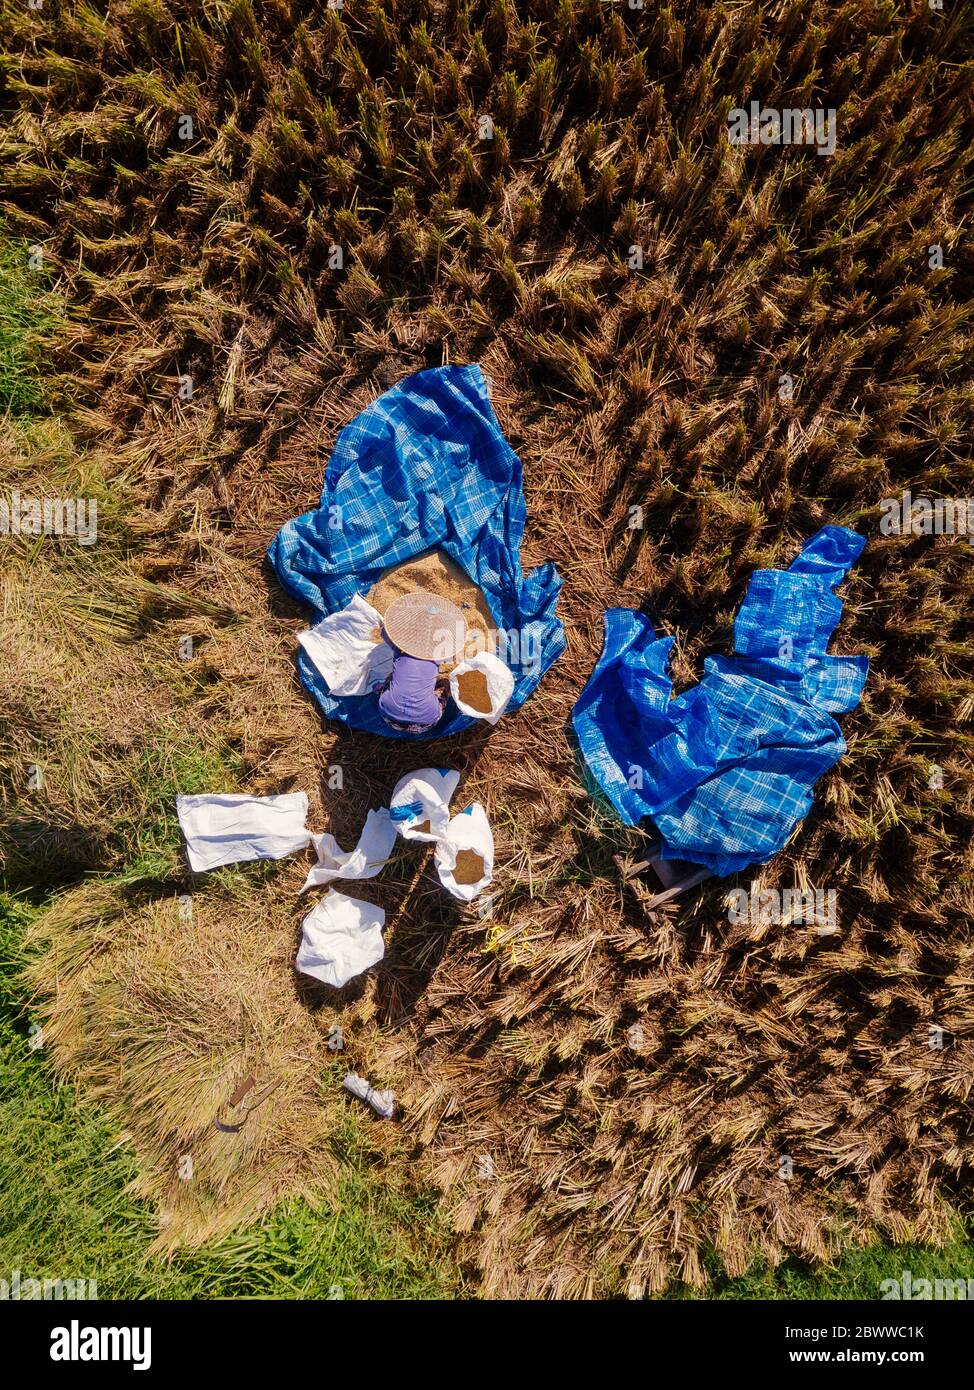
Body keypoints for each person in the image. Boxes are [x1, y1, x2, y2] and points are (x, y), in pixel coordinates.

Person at [378, 651, 449, 733]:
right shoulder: (435, 657)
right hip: (426, 723)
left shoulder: (399, 652)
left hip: (389, 717)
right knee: (444, 684)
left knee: (391, 679)